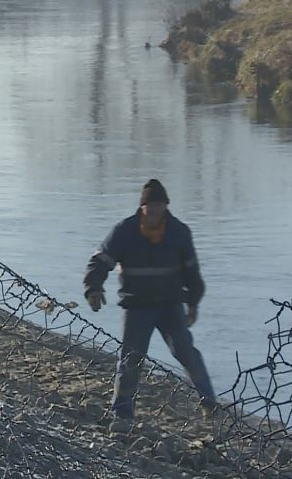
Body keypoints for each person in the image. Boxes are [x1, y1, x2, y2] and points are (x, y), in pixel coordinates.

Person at [83, 179, 216, 421]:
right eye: (150, 206)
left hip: (171, 304)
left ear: (166, 206)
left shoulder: (179, 233)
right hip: (137, 306)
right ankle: (122, 414)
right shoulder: (125, 231)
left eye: (159, 205)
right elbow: (101, 261)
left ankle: (210, 403)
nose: (154, 210)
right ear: (142, 207)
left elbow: (192, 272)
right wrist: (93, 288)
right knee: (130, 360)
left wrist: (194, 302)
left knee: (187, 353)